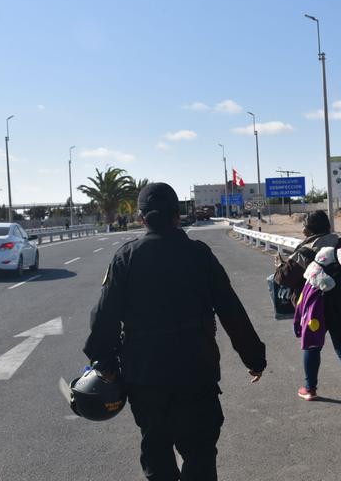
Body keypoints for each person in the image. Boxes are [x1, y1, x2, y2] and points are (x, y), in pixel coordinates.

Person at [83, 182, 266, 481]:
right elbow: (231, 310)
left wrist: (104, 362)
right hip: (197, 374)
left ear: (142, 218)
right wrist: (254, 358)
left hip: (145, 380)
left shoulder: (126, 258)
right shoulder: (200, 255)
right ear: (176, 215)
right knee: (200, 455)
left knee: (156, 454)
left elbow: (103, 318)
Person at [274, 211, 341, 414]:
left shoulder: (306, 249)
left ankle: (310, 388)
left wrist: (280, 266)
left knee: (312, 346)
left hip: (314, 308)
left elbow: (283, 279)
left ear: (308, 229)